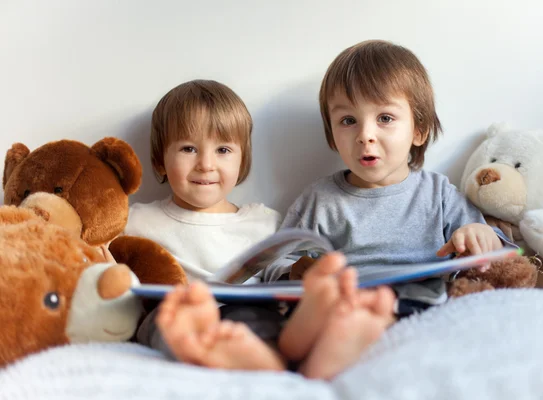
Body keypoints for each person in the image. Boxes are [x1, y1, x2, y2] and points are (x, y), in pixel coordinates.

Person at [125, 79, 396, 380]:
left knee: (266, 321)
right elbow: (100, 264)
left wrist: (301, 272)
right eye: (189, 148)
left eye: (223, 150)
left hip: (246, 313)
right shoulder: (137, 220)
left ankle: (311, 343)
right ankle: (237, 355)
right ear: (159, 161)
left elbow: (278, 277)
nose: (206, 164)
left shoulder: (264, 223)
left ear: (242, 162)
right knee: (161, 324)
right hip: (181, 313)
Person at [275, 39, 514, 352]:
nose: (365, 135)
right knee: (307, 327)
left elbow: (494, 256)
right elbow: (275, 264)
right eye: (348, 121)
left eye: (385, 118)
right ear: (332, 134)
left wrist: (480, 234)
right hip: (348, 311)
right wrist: (295, 272)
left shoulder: (438, 193)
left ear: (419, 130)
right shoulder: (320, 199)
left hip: (421, 310)